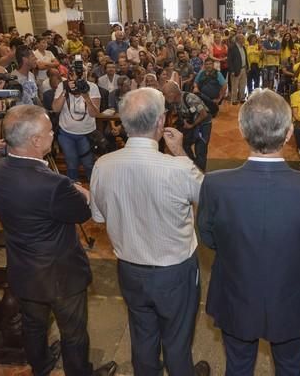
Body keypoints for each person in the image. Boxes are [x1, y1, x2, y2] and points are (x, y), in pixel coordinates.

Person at [197, 89, 300, 376]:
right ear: (288, 133)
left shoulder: (215, 185)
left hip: (236, 294)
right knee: (290, 368)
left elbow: (208, 238)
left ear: (243, 130)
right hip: (289, 295)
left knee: (238, 367)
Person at [0, 105, 116, 376]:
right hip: (60, 273)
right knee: (74, 333)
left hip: (23, 267)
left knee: (34, 325)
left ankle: (41, 366)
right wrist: (81, 191)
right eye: (49, 130)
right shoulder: (53, 184)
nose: (53, 133)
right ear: (35, 141)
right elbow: (84, 213)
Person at [90, 88, 210, 376]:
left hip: (130, 268)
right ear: (160, 123)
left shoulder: (102, 165)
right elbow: (209, 198)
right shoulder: (178, 168)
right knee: (177, 340)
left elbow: (97, 216)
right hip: (174, 271)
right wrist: (180, 152)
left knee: (143, 336)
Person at [52, 63, 102, 181]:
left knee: (89, 164)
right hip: (66, 133)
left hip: (86, 133)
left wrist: (86, 96)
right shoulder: (62, 85)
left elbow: (94, 114)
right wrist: (66, 91)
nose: (80, 77)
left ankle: (93, 189)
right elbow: (55, 109)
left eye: (83, 73)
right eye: (77, 74)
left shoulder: (92, 87)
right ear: (70, 75)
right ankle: (73, 190)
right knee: (72, 164)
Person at [163, 81, 212, 171]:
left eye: (165, 94)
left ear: (172, 93)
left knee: (200, 149)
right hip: (191, 124)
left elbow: (204, 114)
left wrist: (191, 125)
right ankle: (192, 166)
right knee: (184, 144)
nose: (164, 97)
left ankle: (200, 174)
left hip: (203, 124)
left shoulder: (190, 98)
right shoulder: (174, 102)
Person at [227, 34, 248, 105]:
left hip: (243, 68)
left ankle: (242, 98)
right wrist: (232, 70)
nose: (243, 40)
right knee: (235, 85)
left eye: (243, 39)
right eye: (242, 39)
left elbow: (245, 57)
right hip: (235, 69)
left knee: (243, 85)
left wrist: (247, 67)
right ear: (238, 40)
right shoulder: (232, 47)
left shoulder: (243, 47)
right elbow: (229, 60)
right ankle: (234, 100)